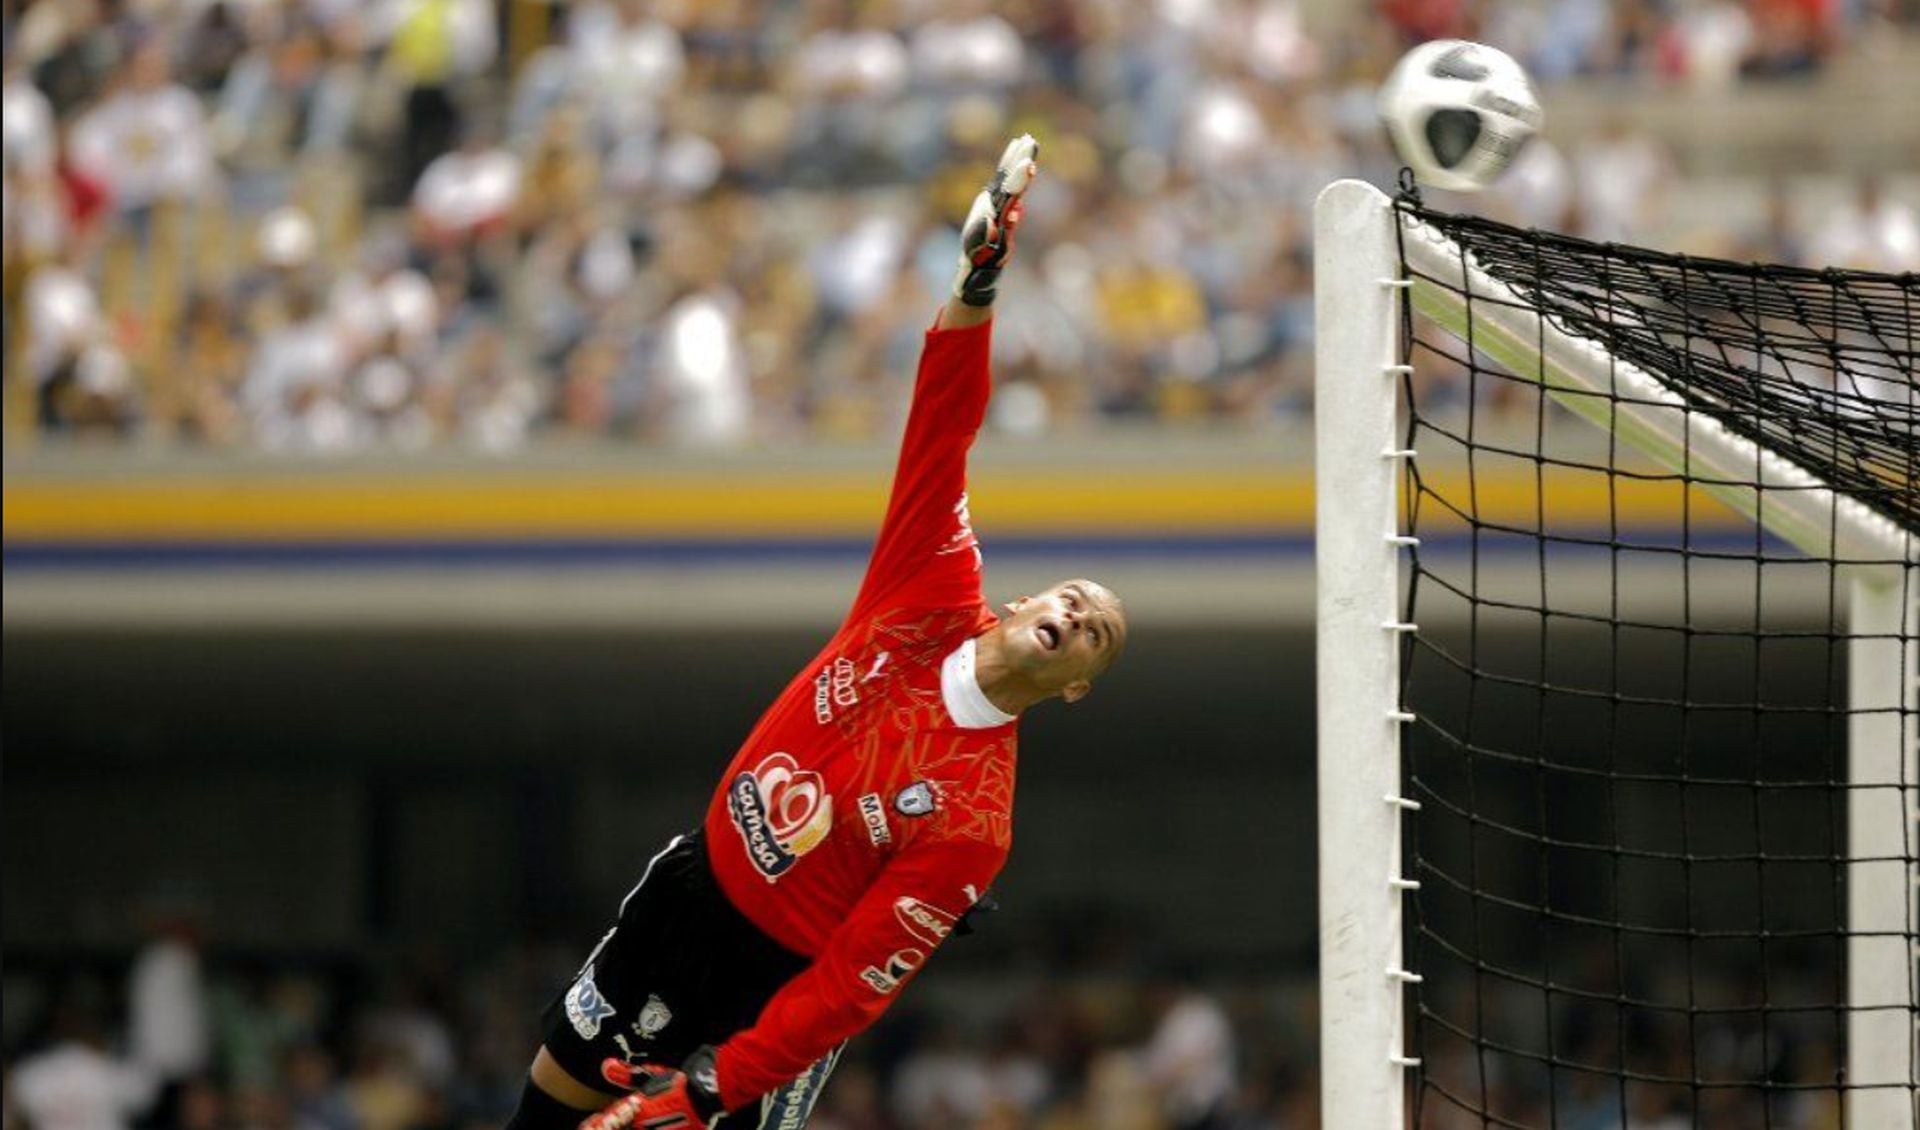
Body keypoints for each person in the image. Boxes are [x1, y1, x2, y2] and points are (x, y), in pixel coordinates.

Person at [504, 135, 1129, 1130]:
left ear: (1077, 687)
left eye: (1096, 631)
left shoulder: (976, 819)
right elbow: (941, 428)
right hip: (688, 896)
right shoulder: (929, 588)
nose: (1075, 615)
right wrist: (976, 287)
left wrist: (708, 1088)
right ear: (1017, 604)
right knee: (546, 1115)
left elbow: (850, 984)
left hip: (775, 988)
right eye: (1067, 598)